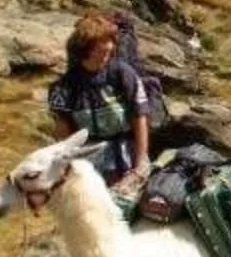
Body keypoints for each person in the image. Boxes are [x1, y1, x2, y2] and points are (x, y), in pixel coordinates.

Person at [46, 12, 152, 186]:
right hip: (89, 154)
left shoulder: (123, 74)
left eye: (110, 41)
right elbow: (62, 130)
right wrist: (68, 165)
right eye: (100, 44)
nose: (108, 47)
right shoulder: (65, 87)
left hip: (126, 151)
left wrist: (141, 162)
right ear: (84, 49)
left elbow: (139, 116)